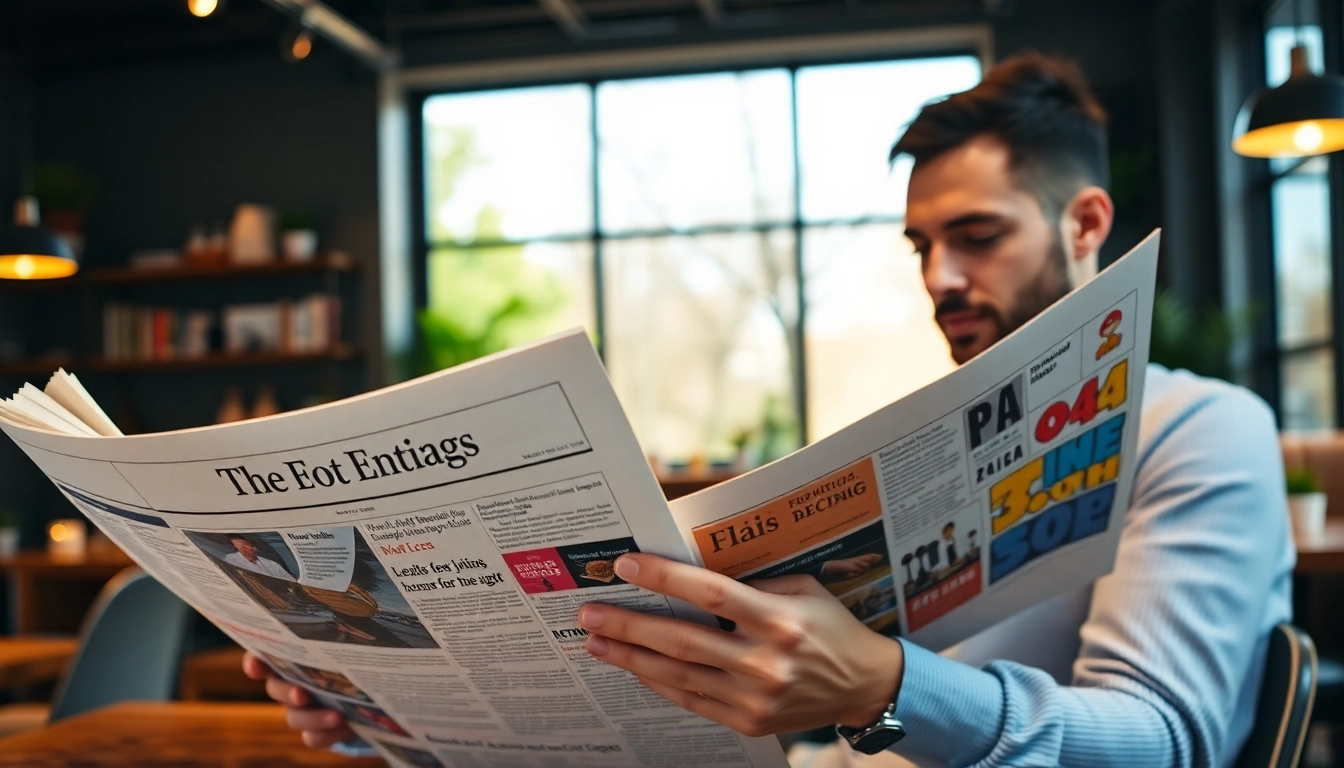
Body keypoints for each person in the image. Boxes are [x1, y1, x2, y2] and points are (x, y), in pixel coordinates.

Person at [243, 52, 1294, 767]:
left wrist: (884, 689)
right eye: (920, 247)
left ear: (1086, 224)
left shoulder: (1202, 427)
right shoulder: (919, 438)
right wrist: (389, 714)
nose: (938, 278)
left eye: (976, 235)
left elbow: (1162, 742)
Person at [222, 534, 296, 582]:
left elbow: (291, 580)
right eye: (239, 547)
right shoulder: (229, 560)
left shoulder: (272, 564)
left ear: (254, 547)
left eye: (245, 545)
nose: (243, 549)